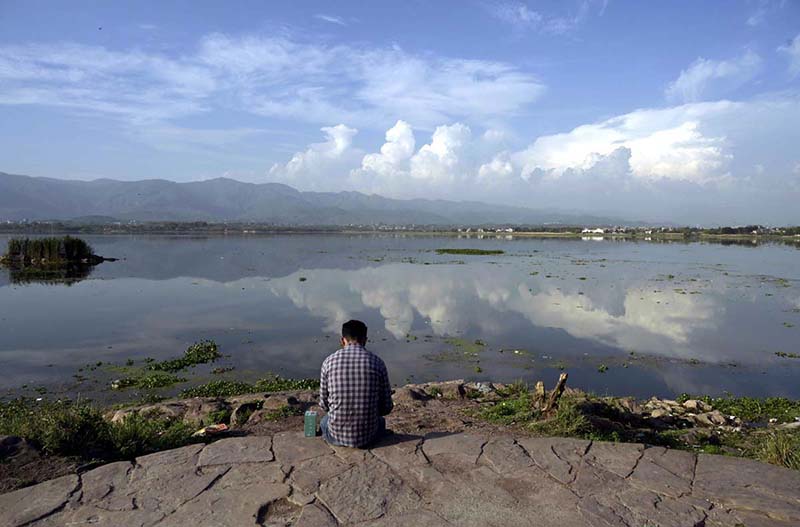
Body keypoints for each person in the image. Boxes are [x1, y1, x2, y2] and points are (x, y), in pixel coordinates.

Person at [319, 320, 393, 448]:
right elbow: (386, 407)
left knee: (324, 421)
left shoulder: (328, 362)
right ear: (365, 340)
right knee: (381, 422)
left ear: (342, 340)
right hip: (369, 437)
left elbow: (324, 405)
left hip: (336, 436)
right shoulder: (377, 363)